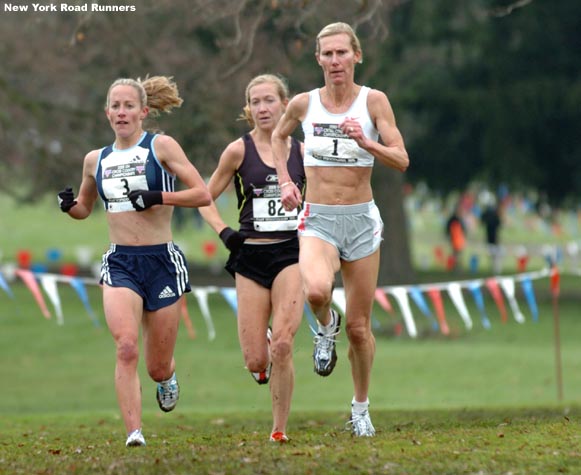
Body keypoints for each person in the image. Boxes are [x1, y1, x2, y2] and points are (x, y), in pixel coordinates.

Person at [57, 76, 211, 447]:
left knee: (156, 365)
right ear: (107, 112)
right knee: (126, 346)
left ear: (143, 112)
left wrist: (157, 196)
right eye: (115, 106)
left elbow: (202, 194)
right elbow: (85, 207)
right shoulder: (96, 159)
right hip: (120, 261)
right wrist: (70, 207)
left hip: (162, 261)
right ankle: (134, 433)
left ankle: (168, 377)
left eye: (128, 106)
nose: (121, 112)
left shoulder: (161, 147)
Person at [272, 22, 409, 437]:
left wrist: (367, 144)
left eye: (342, 53)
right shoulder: (302, 104)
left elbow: (401, 159)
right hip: (318, 219)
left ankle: (361, 407)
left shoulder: (373, 102)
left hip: (361, 221)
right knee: (315, 290)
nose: (335, 61)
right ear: (318, 59)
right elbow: (278, 137)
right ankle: (324, 327)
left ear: (356, 56)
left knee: (361, 328)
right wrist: (284, 180)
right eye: (327, 54)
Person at [199, 74, 305, 443]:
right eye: (255, 102)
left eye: (269, 101)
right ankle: (263, 353)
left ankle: (279, 428)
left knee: (284, 345)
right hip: (250, 256)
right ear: (248, 109)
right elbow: (203, 198)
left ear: (284, 104)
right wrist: (225, 233)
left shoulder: (302, 152)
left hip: (292, 253)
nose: (262, 108)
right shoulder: (238, 151)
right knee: (257, 360)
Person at [480, 198, 502, 273]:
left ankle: (494, 269)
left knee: (493, 254)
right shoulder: (495, 214)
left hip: (491, 237)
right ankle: (495, 269)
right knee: (494, 254)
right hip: (493, 237)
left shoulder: (488, 214)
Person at [445, 204, 466, 271]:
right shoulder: (453, 219)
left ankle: (457, 267)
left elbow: (463, 230)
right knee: (455, 254)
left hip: (459, 239)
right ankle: (455, 267)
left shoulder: (460, 219)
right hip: (454, 239)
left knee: (458, 255)